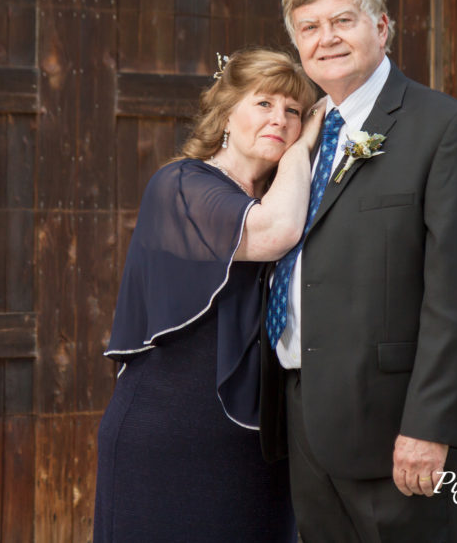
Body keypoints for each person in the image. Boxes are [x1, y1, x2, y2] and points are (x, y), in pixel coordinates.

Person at [259, 0, 457, 542]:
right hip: (303, 417)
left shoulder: (444, 128)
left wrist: (429, 427)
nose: (327, 38)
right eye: (309, 27)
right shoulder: (302, 136)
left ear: (383, 28)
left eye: (343, 20)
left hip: (395, 427)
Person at [94, 48, 322, 542]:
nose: (280, 120)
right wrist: (304, 150)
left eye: (294, 112)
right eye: (264, 104)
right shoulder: (180, 184)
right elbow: (274, 233)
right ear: (226, 113)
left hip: (255, 444)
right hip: (168, 437)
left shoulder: (282, 194)